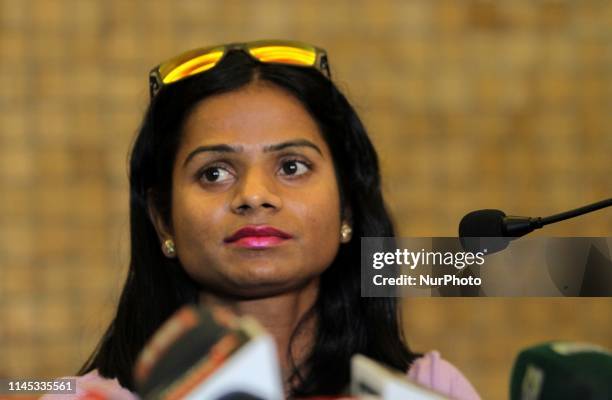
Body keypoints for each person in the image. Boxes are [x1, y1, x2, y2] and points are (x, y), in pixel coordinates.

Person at [46, 41, 480, 399]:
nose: (254, 195)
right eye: (214, 173)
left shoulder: (428, 389)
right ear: (164, 221)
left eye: (292, 167)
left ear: (346, 207)